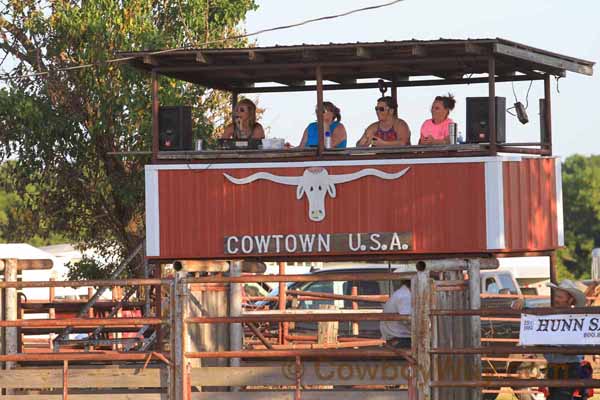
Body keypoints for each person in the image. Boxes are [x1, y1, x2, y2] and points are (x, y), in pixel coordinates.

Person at [512, 279, 587, 400]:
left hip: (569, 367)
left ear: (571, 299)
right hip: (554, 367)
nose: (556, 299)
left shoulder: (577, 318)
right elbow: (530, 309)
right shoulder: (551, 314)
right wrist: (519, 302)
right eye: (556, 295)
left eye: (560, 297)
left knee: (559, 397)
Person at [380, 281, 411, 348]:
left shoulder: (402, 293)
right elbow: (407, 320)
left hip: (396, 337)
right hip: (401, 338)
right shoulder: (405, 296)